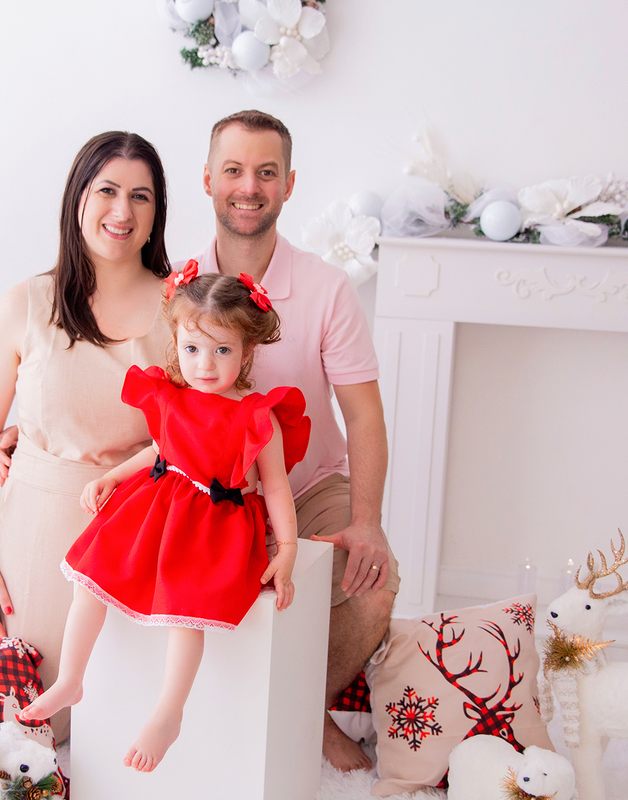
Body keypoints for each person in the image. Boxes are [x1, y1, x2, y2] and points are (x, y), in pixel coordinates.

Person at [21, 268, 310, 772]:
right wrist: (112, 476)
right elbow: (161, 448)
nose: (205, 364)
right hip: (155, 500)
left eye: (222, 350)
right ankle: (70, 677)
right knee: (90, 581)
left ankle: (168, 713)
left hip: (211, 521)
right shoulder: (172, 394)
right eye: (193, 348)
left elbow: (277, 485)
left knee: (184, 611)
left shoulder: (254, 413)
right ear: (176, 342)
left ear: (247, 352)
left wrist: (286, 550)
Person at [194, 109, 399, 771]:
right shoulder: (177, 280)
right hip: (209, 494)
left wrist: (366, 521)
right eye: (233, 169)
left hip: (308, 486)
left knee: (373, 581)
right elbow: (133, 388)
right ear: (207, 180)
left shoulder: (326, 289)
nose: (248, 186)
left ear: (288, 184)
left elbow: (364, 417)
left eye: (265, 172)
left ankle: (300, 711)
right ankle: (232, 711)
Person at [0, 131, 172, 743]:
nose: (122, 211)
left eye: (141, 196)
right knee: (28, 732)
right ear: (77, 197)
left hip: (140, 535)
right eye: (106, 190)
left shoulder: (182, 308)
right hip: (38, 535)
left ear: (158, 214)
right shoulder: (26, 303)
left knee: (121, 733)